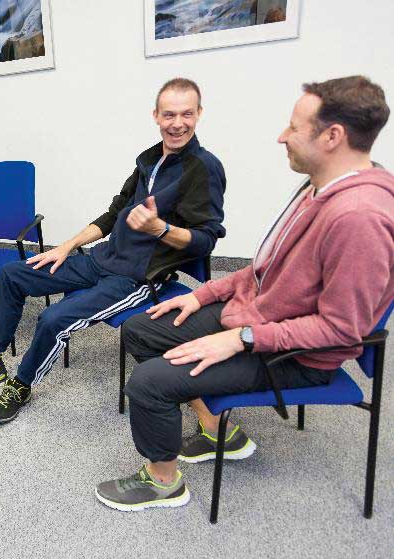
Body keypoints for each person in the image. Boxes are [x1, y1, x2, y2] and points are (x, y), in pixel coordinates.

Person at [95, 75, 394, 512]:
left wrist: (239, 339)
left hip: (296, 355)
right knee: (142, 331)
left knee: (149, 383)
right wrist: (203, 295)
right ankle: (219, 431)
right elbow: (266, 267)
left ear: (333, 136)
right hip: (258, 316)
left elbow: (341, 330)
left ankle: (164, 483)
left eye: (294, 127)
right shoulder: (320, 187)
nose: (281, 136)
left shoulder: (359, 218)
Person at [0, 78, 227, 425]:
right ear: (156, 115)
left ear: (199, 114)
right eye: (169, 114)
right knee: (13, 274)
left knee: (53, 318)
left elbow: (206, 240)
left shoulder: (204, 168)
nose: (178, 123)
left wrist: (160, 229)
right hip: (102, 258)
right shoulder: (150, 160)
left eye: (187, 114)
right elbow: (113, 214)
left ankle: (22, 384)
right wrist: (67, 245)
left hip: (135, 277)